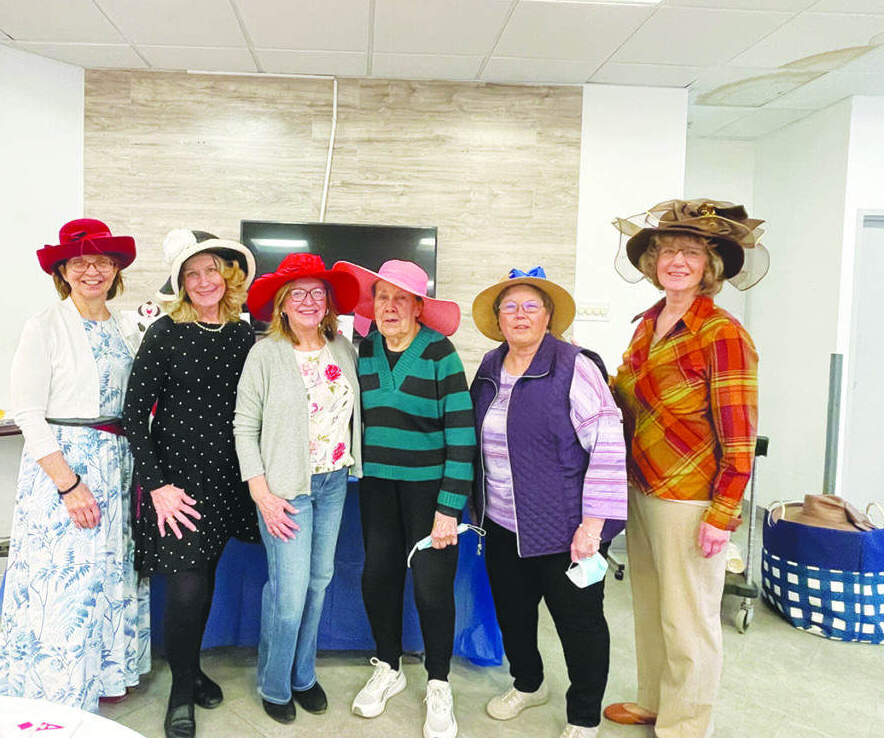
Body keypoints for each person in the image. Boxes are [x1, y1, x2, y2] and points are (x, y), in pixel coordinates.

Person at [606, 200, 762, 738]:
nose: (676, 261)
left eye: (690, 253)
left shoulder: (722, 333)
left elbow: (739, 434)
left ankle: (686, 726)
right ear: (653, 262)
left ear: (708, 266)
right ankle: (654, 702)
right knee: (652, 606)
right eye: (667, 250)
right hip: (641, 485)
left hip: (690, 498)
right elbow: (629, 397)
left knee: (689, 620)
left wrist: (723, 513)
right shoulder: (647, 325)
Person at [0, 218, 150, 712]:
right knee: (65, 577)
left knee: (108, 571)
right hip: (67, 464)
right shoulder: (44, 326)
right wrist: (68, 484)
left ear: (116, 270)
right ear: (62, 271)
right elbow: (27, 412)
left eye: (102, 261)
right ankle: (58, 687)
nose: (92, 271)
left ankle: (106, 674)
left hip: (118, 462)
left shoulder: (127, 326)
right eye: (80, 262)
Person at [468, 267, 627, 738]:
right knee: (513, 614)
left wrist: (592, 527)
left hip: (567, 529)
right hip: (501, 522)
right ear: (498, 319)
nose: (519, 315)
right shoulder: (489, 367)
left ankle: (584, 715)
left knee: (579, 624)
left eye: (530, 306)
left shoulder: (575, 366)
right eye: (510, 307)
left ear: (548, 316)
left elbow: (608, 445)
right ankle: (528, 683)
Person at [122, 229, 258, 738]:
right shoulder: (164, 333)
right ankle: (180, 692)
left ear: (228, 275)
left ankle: (192, 668)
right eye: (191, 273)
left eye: (211, 270)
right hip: (176, 485)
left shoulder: (243, 335)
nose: (203, 281)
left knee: (205, 582)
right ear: (180, 283)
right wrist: (156, 486)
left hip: (226, 480)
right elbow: (134, 417)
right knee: (186, 588)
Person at [334, 259, 475, 738]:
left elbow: (462, 436)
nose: (389, 307)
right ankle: (389, 667)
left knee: (432, 587)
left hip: (430, 491)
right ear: (372, 305)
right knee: (378, 577)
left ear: (418, 307)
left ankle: (438, 682)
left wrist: (448, 508)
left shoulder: (440, 352)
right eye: (382, 297)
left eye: (401, 298)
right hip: (377, 484)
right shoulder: (366, 348)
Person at [233, 253, 362, 725]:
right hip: (285, 489)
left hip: (334, 482)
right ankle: (274, 682)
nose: (309, 301)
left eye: (317, 292)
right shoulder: (264, 354)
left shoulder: (342, 348)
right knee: (288, 594)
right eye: (298, 293)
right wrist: (261, 492)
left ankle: (303, 674)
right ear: (282, 304)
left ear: (328, 302)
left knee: (318, 583)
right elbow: (244, 427)